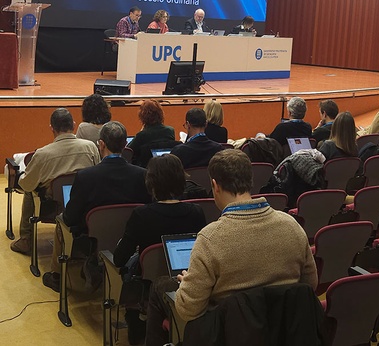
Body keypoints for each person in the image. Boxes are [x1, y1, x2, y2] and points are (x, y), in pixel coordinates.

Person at [145, 149, 317, 345]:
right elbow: (309, 285)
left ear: (215, 186)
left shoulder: (210, 239)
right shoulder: (292, 226)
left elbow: (188, 309)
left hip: (229, 336)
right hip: (287, 334)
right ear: (250, 181)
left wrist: (188, 284)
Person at [42, 120, 151, 292]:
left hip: (91, 240)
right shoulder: (142, 175)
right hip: (129, 239)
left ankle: (56, 276)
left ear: (101, 144)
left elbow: (70, 217)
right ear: (124, 145)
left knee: (60, 222)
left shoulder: (86, 176)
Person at [113, 154, 206, 345]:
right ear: (182, 179)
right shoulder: (196, 212)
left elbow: (119, 259)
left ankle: (134, 315)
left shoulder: (141, 215)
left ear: (151, 183)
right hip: (187, 280)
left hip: (149, 283)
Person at [10, 108, 100, 255]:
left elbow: (26, 184)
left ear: (52, 128)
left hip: (53, 206)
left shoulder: (42, 154)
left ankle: (26, 239)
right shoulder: (90, 147)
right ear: (74, 125)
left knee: (29, 192)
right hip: (86, 202)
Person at [127, 100, 176, 167]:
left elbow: (127, 152)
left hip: (146, 169)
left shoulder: (142, 135)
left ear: (142, 116)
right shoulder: (170, 131)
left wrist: (141, 131)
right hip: (167, 167)